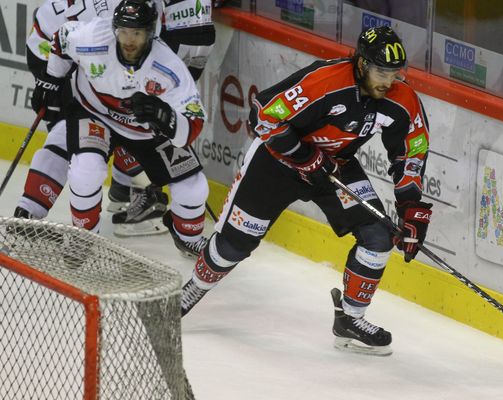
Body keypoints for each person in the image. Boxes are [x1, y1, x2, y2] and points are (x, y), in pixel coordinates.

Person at [180, 26, 433, 356]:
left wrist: (411, 207)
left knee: (378, 236)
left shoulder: (401, 99)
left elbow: (410, 152)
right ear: (361, 64)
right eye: (380, 71)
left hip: (333, 167)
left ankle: (350, 320)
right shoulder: (325, 81)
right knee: (233, 246)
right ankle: (189, 294)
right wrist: (304, 155)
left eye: (394, 73)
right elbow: (264, 115)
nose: (387, 81)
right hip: (275, 164)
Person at [19, 0, 215, 244]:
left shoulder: (167, 64)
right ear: (114, 29)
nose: (130, 41)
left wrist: (165, 117)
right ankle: (41, 215)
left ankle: (185, 236)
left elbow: (191, 122)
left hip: (140, 127)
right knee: (82, 165)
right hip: (92, 107)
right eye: (124, 32)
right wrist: (49, 80)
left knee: (193, 187)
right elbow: (59, 39)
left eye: (137, 34)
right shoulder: (93, 36)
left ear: (151, 33)